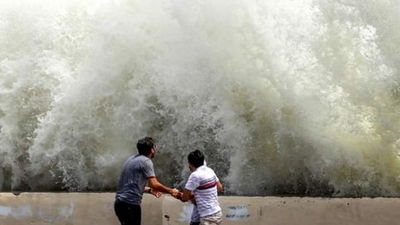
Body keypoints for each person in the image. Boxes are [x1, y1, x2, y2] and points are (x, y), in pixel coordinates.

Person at [114, 137, 180, 225]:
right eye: (155, 147)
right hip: (130, 205)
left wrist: (149, 190)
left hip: (120, 204)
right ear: (152, 150)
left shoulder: (131, 159)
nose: (156, 149)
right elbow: (154, 184)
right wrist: (171, 191)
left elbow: (130, 184)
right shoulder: (146, 161)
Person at [180, 150, 223, 225]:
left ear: (190, 163)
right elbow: (219, 187)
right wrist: (204, 194)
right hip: (217, 213)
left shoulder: (195, 175)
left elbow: (184, 198)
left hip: (208, 218)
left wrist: (178, 194)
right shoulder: (210, 171)